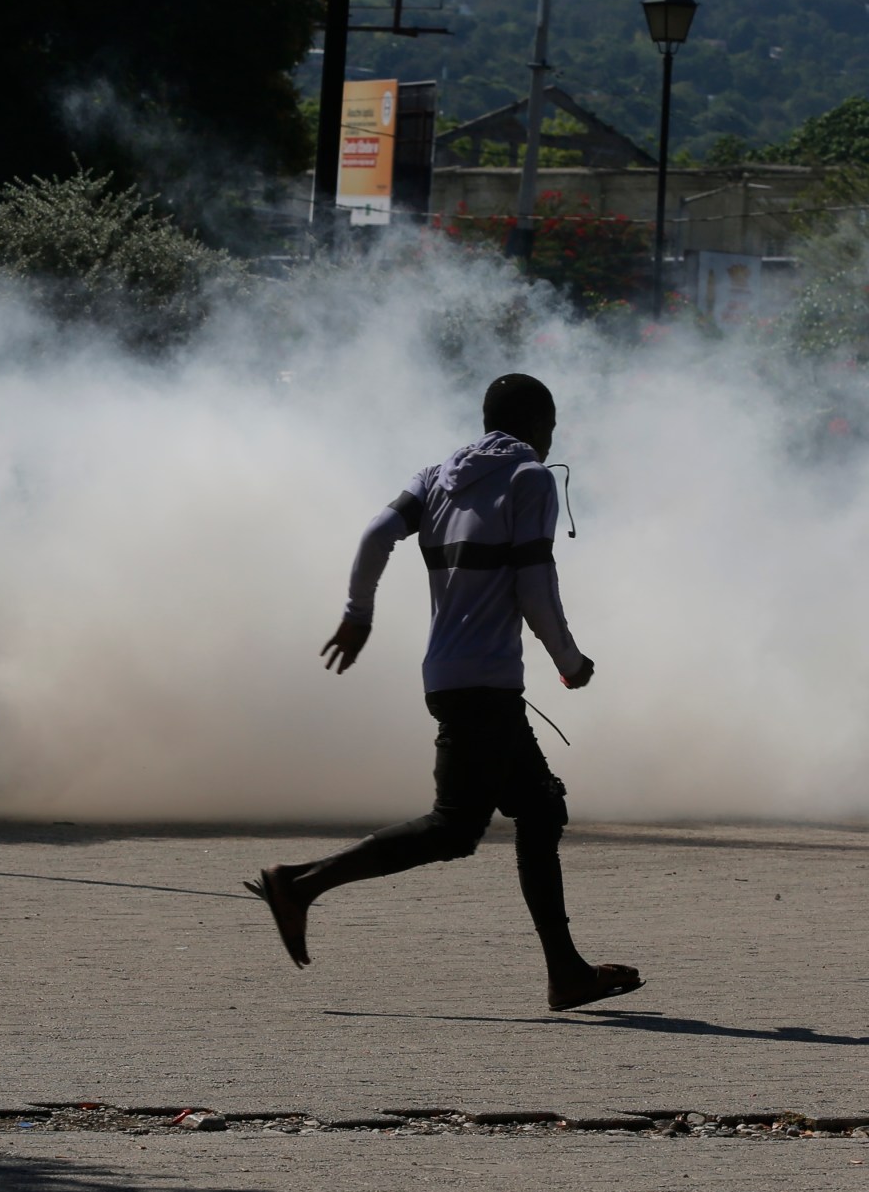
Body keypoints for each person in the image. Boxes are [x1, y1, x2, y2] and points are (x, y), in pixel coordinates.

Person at [247, 373, 642, 1011]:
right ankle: (300, 884)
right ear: (538, 426)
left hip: (452, 677)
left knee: (539, 809)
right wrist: (569, 661)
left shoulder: (434, 477)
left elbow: (377, 535)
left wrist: (358, 613)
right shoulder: (531, 479)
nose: (552, 438)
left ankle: (567, 972)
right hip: (485, 685)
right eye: (552, 425)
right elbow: (534, 585)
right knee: (454, 828)